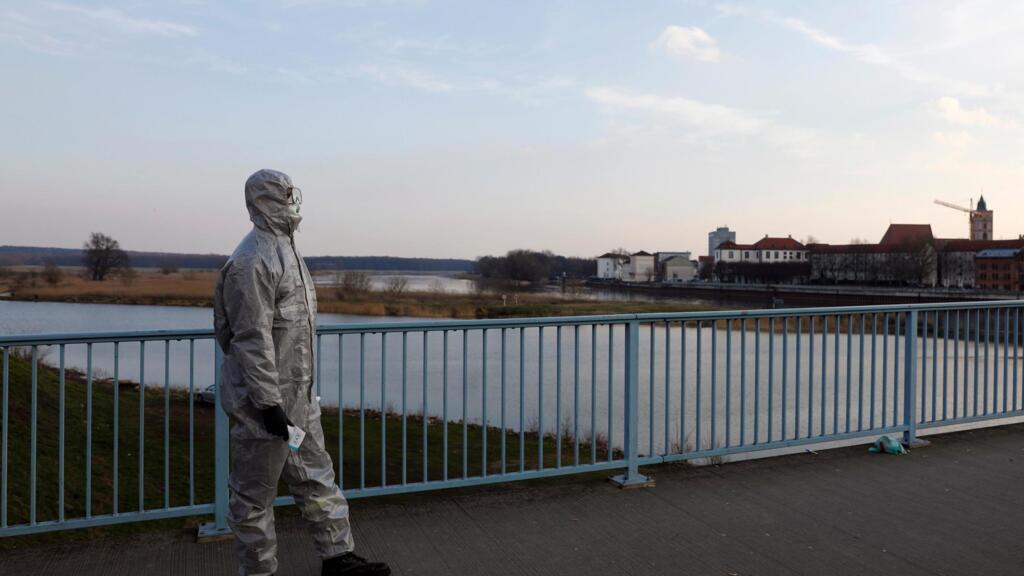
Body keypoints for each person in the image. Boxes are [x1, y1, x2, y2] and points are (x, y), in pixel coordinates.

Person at [214, 169, 391, 576]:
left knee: (316, 476)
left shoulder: (287, 252)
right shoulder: (251, 261)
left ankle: (338, 557)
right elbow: (251, 338)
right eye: (284, 195)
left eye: (292, 194)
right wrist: (268, 404)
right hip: (265, 407)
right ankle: (258, 571)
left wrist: (296, 398)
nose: (292, 202)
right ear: (265, 201)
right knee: (253, 495)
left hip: (298, 400)